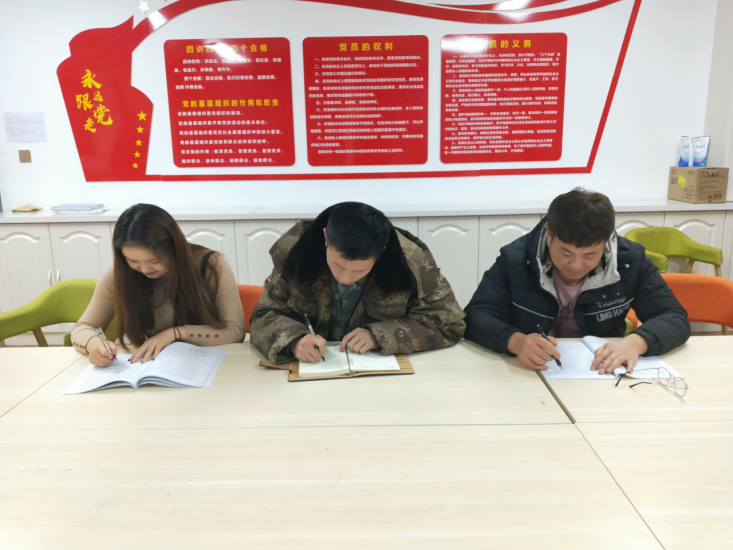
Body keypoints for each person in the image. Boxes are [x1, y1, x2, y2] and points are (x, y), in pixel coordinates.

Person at [465, 188, 691, 373]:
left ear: (606, 242)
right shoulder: (516, 258)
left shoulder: (629, 261)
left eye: (590, 255)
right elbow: (476, 315)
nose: (576, 265)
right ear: (549, 235)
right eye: (566, 253)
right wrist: (516, 342)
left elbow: (674, 317)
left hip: (601, 371)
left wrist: (637, 342)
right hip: (527, 370)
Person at [250, 202, 466, 364]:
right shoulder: (295, 253)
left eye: (360, 271)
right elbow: (263, 316)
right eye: (337, 265)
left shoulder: (412, 262)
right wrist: (294, 340)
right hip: (309, 370)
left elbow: (449, 324)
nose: (345, 278)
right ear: (326, 237)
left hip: (380, 374)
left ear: (381, 252)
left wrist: (381, 335)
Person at [71, 204, 245, 365]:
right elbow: (83, 327)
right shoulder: (119, 275)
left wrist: (176, 333)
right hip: (153, 364)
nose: (145, 269)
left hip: (209, 362)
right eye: (133, 261)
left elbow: (235, 331)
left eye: (154, 261)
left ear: (174, 248)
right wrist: (92, 344)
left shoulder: (210, 266)